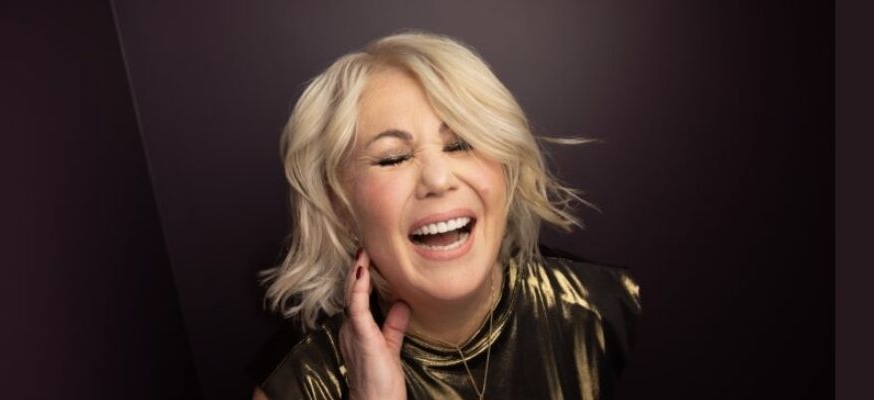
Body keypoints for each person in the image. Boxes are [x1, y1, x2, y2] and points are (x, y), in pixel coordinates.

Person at [248, 31, 641, 399]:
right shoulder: (300, 382)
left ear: (505, 169)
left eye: (461, 144)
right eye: (393, 158)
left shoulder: (608, 308)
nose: (437, 179)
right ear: (341, 208)